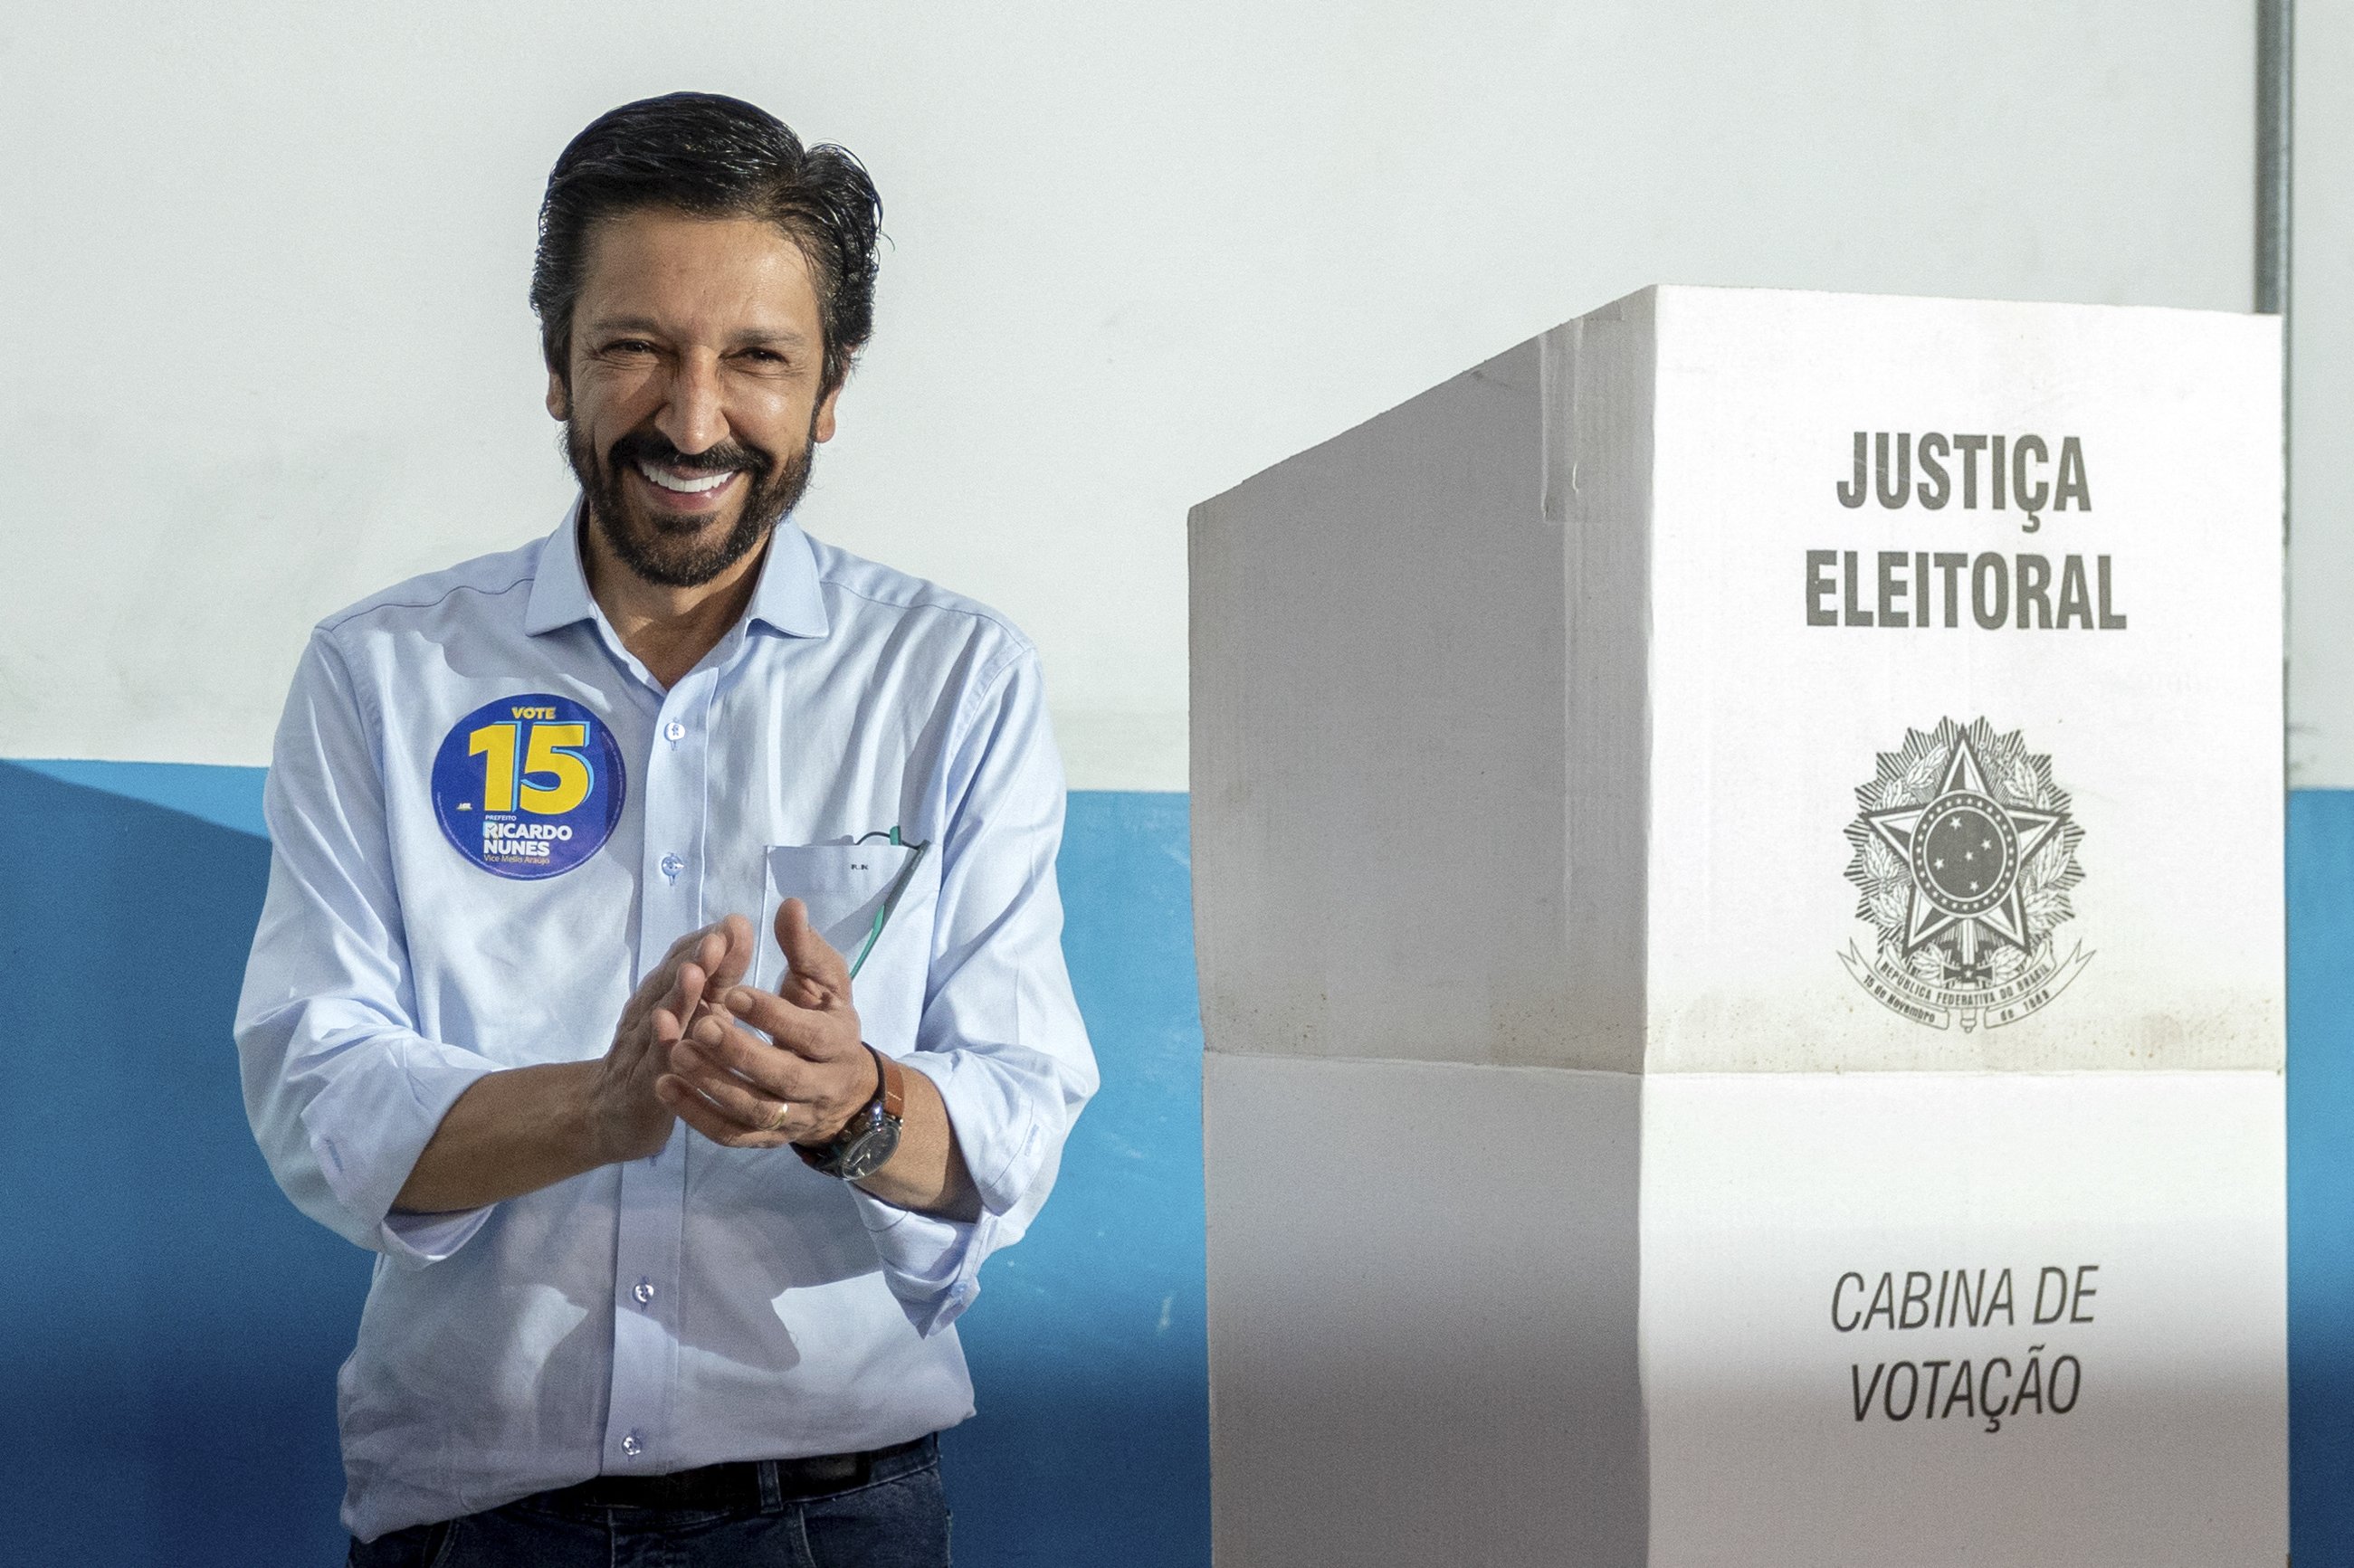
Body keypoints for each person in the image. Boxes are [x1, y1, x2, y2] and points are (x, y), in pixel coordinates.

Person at [235, 91, 1097, 1564]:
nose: (692, 420)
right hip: (474, 1521)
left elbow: (1018, 1111)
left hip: (833, 1516)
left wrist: (855, 1105)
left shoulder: (957, 680)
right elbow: (317, 1086)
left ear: (829, 389)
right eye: (634, 346)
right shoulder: (381, 676)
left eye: (756, 357)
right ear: (558, 368)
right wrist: (595, 1107)